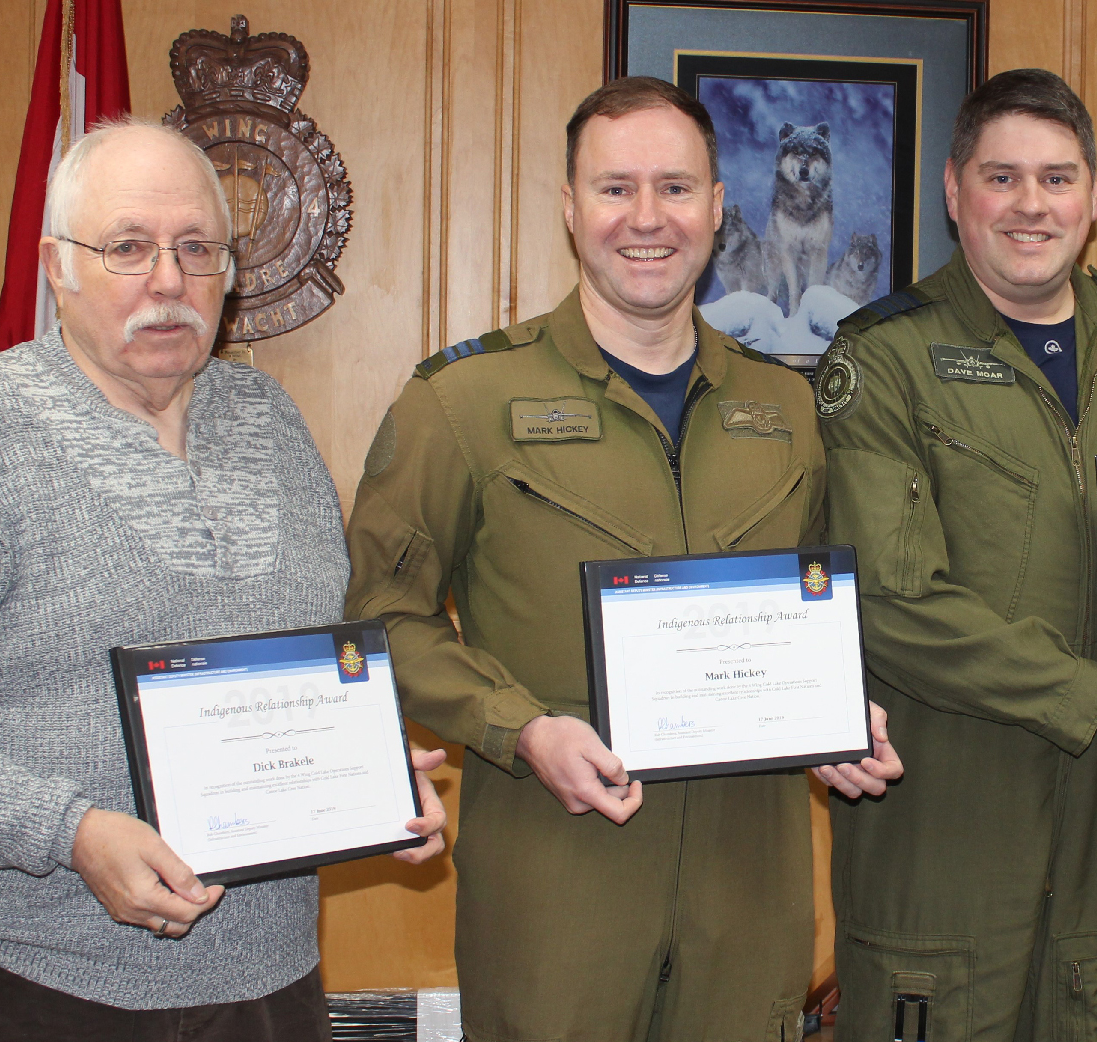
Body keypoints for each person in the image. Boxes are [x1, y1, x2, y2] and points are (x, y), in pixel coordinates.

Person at [0, 118, 447, 1041]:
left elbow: (303, 666)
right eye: (128, 247)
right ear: (58, 267)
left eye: (196, 249)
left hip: (271, 981)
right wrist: (68, 833)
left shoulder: (269, 421)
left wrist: (366, 771)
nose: (168, 280)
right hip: (35, 984)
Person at [343, 76, 901, 1042]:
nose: (647, 218)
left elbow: (818, 606)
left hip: (748, 892)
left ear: (717, 207)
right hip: (557, 886)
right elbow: (381, 621)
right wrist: (519, 728)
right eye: (615, 189)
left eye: (675, 188)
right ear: (571, 207)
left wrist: (840, 712)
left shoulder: (787, 408)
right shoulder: (462, 403)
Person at [816, 68, 1097, 1040]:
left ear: (1090, 195)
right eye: (1001, 177)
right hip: (942, 818)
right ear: (953, 189)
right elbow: (892, 601)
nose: (1031, 205)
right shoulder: (883, 356)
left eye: (1057, 178)